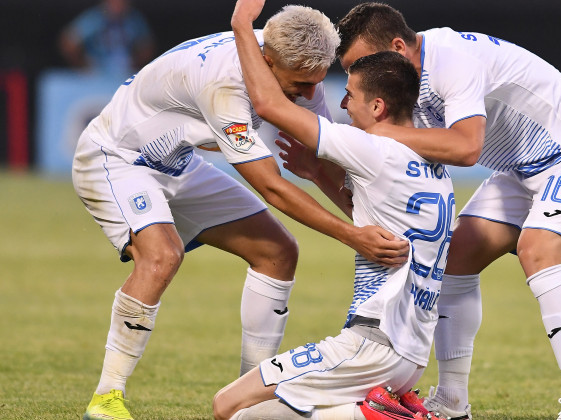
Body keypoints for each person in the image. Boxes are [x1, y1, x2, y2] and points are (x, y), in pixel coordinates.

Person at [73, 4, 409, 420]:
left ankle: (249, 395)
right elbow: (272, 186)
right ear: (266, 61)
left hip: (176, 162)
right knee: (161, 254)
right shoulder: (225, 84)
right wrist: (353, 236)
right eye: (301, 85)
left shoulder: (293, 57)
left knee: (278, 252)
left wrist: (377, 220)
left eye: (316, 84)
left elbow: (329, 161)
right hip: (117, 157)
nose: (309, 95)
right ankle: (106, 398)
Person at [323, 3, 561, 420]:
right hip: (521, 169)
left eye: (363, 63)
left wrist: (375, 131)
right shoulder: (406, 78)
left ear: (398, 46)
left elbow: (466, 147)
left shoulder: (451, 61)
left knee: (537, 251)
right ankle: (452, 401)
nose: (361, 76)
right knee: (456, 258)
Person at [211, 1, 455, 419]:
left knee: (229, 407)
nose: (342, 106)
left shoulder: (373, 148)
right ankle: (377, 408)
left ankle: (372, 416)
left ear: (378, 107)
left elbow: (270, 106)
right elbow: (367, 207)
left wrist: (241, 25)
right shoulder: (435, 170)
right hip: (409, 356)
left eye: (350, 95)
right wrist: (319, 175)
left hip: (371, 344)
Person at [59, 0, 155, 76]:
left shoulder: (134, 19)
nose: (118, 4)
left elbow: (147, 46)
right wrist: (83, 66)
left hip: (125, 74)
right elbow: (68, 42)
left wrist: (135, 65)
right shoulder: (94, 18)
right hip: (97, 74)